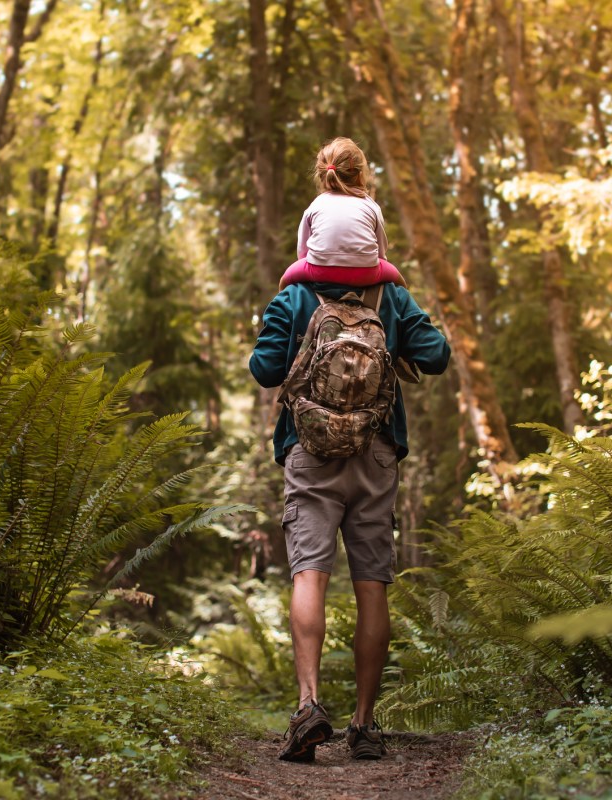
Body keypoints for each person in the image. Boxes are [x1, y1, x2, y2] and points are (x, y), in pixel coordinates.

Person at [249, 139, 451, 764]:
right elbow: (437, 356)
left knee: (309, 572)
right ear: (366, 191)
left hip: (310, 457)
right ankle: (364, 725)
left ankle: (308, 706)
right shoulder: (390, 298)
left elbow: (263, 369)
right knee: (371, 586)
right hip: (377, 453)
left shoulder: (293, 297)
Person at [277, 137, 408, 292]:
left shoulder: (316, 205)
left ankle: (289, 304)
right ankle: (403, 306)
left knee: (285, 281)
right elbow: (380, 252)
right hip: (365, 273)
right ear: (360, 175)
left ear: (323, 175)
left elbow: (303, 253)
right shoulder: (371, 205)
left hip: (320, 272)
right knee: (400, 282)